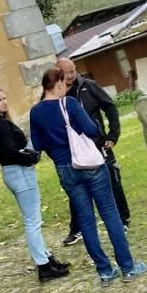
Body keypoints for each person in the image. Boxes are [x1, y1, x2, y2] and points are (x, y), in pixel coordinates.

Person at [29, 68, 147, 287]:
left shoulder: (35, 112)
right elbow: (91, 128)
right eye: (64, 83)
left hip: (64, 167)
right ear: (57, 84)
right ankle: (127, 267)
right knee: (110, 213)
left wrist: (57, 148)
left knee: (86, 220)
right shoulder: (70, 104)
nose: (67, 87)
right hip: (89, 164)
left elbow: (37, 144)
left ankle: (104, 271)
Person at [0, 88, 70, 282]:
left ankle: (46, 258)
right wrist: (30, 157)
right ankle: (44, 266)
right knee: (33, 221)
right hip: (18, 171)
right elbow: (9, 151)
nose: (4, 102)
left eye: (5, 98)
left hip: (13, 172)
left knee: (33, 219)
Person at [44, 57, 129, 247]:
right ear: (57, 72)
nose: (70, 76)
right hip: (70, 153)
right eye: (66, 72)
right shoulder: (53, 97)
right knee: (77, 191)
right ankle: (77, 228)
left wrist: (112, 135)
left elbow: (110, 107)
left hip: (97, 146)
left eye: (73, 71)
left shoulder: (88, 86)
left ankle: (123, 219)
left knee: (112, 182)